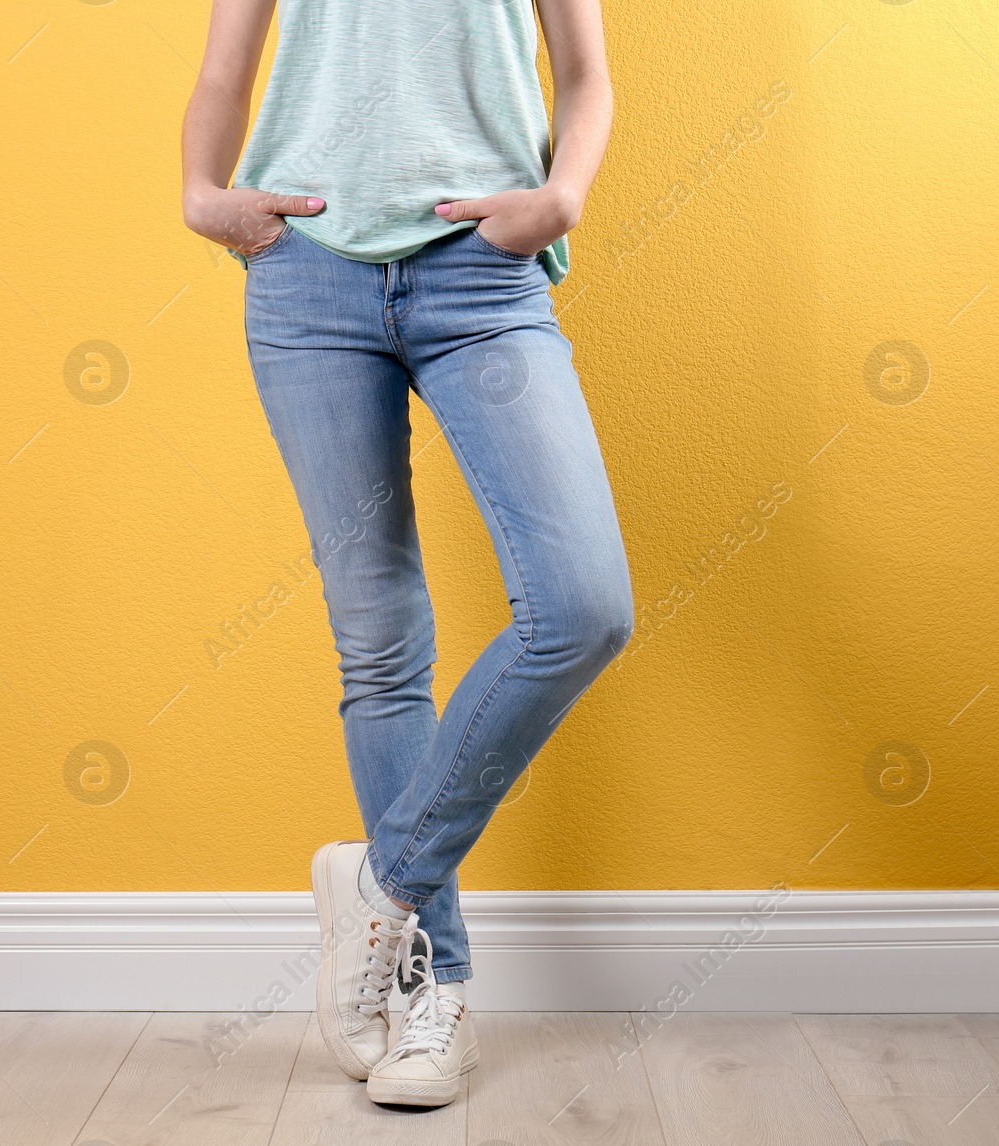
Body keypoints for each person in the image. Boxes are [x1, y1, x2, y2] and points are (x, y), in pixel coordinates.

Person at [182, 0, 631, 1108]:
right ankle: (437, 992)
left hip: (482, 277)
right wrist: (203, 196)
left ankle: (381, 883)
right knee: (378, 641)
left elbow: (586, 72)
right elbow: (223, 69)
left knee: (580, 608)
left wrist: (561, 197)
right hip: (305, 282)